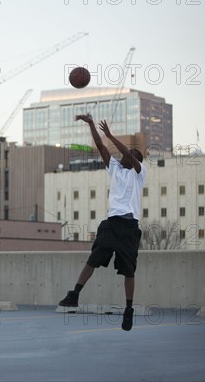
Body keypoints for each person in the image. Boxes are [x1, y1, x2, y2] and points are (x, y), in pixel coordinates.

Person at [59, 114, 146, 331]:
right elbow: (100, 146)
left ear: (135, 160)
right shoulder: (115, 168)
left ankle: (128, 309)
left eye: (131, 154)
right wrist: (91, 125)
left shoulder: (139, 173)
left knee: (129, 271)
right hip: (111, 224)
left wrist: (111, 135)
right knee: (93, 259)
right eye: (127, 154)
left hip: (129, 227)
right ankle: (75, 294)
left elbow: (126, 152)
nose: (125, 155)